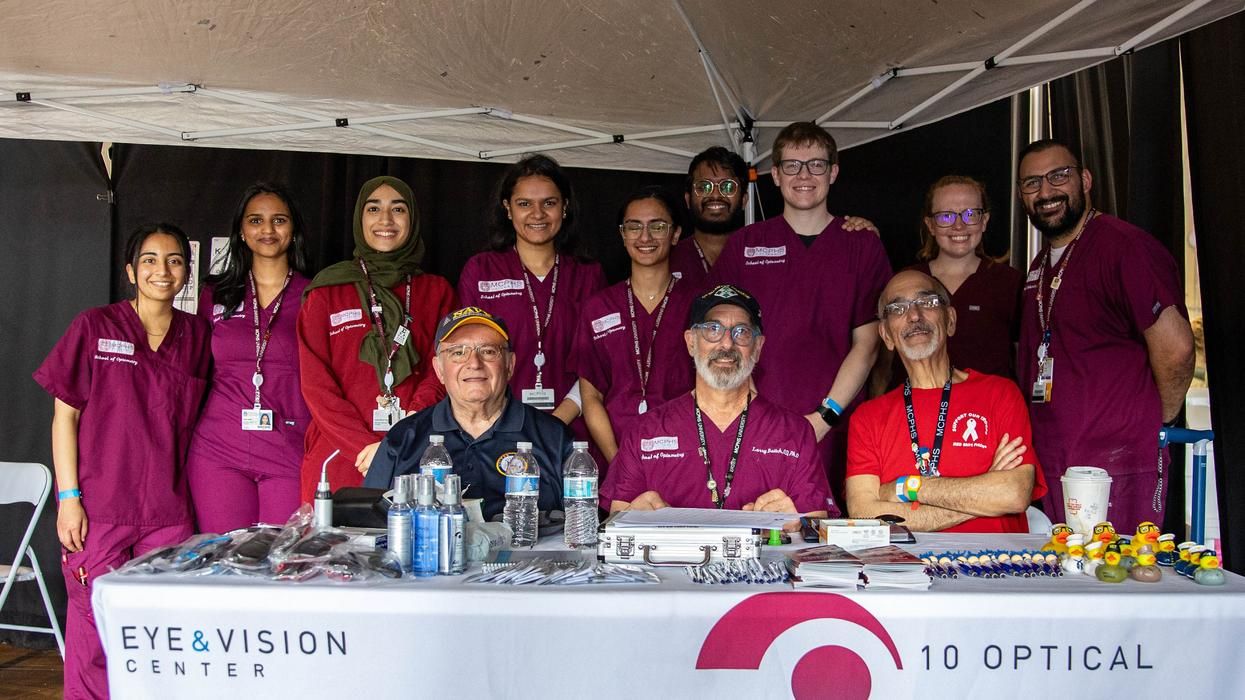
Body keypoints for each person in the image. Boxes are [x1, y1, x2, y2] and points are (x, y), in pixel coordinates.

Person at [33, 223, 211, 699]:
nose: (162, 270)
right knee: (94, 632)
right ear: (131, 271)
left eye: (174, 260)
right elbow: (63, 418)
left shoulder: (197, 336)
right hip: (101, 509)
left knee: (160, 635)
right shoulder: (94, 327)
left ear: (186, 274)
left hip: (168, 515)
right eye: (150, 260)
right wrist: (69, 499)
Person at [1015, 140, 1194, 528]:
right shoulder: (1041, 263)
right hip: (1056, 460)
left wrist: (1154, 424)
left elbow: (1177, 348)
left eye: (1058, 176)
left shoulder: (1124, 247)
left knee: (1118, 576)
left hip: (1118, 462)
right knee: (1067, 579)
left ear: (1085, 179)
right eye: (1031, 183)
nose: (1045, 192)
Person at [710, 121, 892, 498]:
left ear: (834, 171)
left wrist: (825, 418)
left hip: (837, 423)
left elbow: (869, 343)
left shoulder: (860, 245)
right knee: (758, 521)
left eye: (816, 164)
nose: (804, 175)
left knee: (828, 532)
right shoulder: (745, 245)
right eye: (792, 165)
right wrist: (756, 410)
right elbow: (723, 337)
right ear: (775, 175)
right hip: (754, 419)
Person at [602, 284, 834, 528]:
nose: (726, 344)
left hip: (762, 565)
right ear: (691, 342)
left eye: (741, 332)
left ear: (758, 347)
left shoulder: (794, 432)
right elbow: (613, 522)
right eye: (713, 329)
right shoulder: (645, 430)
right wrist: (630, 518)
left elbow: (819, 525)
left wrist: (801, 522)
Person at [846, 270, 1046, 532]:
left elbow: (1014, 494)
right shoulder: (868, 418)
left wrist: (908, 487)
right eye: (898, 308)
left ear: (950, 320)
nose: (914, 316)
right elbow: (864, 515)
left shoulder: (1000, 394)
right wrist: (983, 494)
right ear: (886, 336)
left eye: (927, 303)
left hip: (996, 567)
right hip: (906, 570)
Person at [297, 176, 456, 503]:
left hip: (415, 449)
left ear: (412, 219)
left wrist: (406, 429)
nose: (385, 220)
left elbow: (442, 366)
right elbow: (315, 384)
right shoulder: (326, 291)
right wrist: (365, 446)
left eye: (398, 209)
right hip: (342, 454)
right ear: (359, 218)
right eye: (374, 209)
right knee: (332, 553)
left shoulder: (437, 291)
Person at [363, 307, 570, 520]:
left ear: (510, 365)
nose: (474, 363)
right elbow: (368, 527)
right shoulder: (403, 438)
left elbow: (582, 528)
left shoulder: (553, 437)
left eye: (488, 351)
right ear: (439, 369)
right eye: (458, 352)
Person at [186, 183, 312, 533]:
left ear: (294, 230)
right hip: (218, 448)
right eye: (256, 220)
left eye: (279, 220)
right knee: (225, 564)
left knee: (283, 563)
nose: (267, 230)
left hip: (288, 447)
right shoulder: (216, 293)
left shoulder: (315, 295)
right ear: (241, 231)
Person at [457, 154, 606, 428]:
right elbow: (468, 357)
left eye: (549, 203)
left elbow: (598, 361)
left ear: (564, 207)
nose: (537, 214)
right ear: (508, 208)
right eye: (524, 204)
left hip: (571, 427)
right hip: (496, 425)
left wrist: (557, 422)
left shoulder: (588, 274)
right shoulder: (481, 270)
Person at [575, 186, 697, 463]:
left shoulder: (699, 303)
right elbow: (591, 395)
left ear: (675, 233)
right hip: (614, 454)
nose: (645, 237)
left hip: (685, 456)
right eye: (634, 227)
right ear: (622, 234)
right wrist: (618, 463)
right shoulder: (598, 307)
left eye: (658, 226)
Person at [901, 175, 1023, 382]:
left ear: (984, 221)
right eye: (946, 216)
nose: (959, 225)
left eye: (970, 214)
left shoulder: (1010, 283)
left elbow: (1025, 359)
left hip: (989, 409)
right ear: (930, 225)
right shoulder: (906, 283)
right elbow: (884, 363)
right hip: (919, 409)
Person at [669, 146, 750, 292]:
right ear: (688, 199)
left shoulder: (758, 259)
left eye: (728, 187)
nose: (715, 195)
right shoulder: (668, 260)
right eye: (704, 187)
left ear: (744, 200)